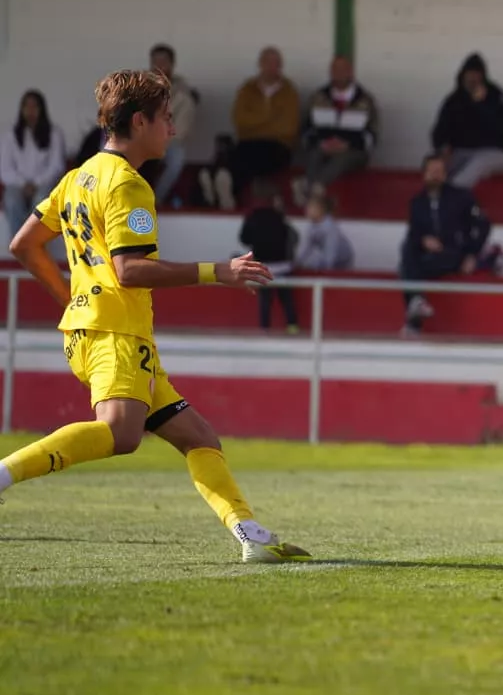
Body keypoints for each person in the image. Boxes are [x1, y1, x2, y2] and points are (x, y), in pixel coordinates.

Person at [0, 69, 311, 564]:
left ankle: (248, 532)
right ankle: (3, 474)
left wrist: (73, 300)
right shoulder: (128, 185)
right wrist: (218, 271)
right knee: (122, 435)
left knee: (199, 437)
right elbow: (130, 270)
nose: (173, 128)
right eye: (166, 118)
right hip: (117, 333)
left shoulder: (79, 176)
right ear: (139, 121)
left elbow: (24, 244)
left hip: (107, 331)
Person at [400, 153, 490, 336]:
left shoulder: (461, 197)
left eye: (439, 171)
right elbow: (414, 234)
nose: (435, 175)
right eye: (431, 171)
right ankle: (416, 304)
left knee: (407, 267)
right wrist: (424, 240)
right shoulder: (417, 203)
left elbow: (483, 224)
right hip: (429, 256)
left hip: (455, 254)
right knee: (408, 249)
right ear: (423, 173)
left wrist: (472, 254)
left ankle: (415, 313)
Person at [220, 46, 300, 212]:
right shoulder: (247, 89)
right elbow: (240, 121)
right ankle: (225, 193)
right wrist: (270, 117)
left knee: (257, 157)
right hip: (248, 142)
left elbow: (289, 128)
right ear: (260, 64)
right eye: (268, 63)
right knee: (239, 154)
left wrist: (256, 122)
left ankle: (230, 193)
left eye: (276, 64)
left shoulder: (289, 91)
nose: (272, 68)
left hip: (279, 145)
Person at [299, 55, 378, 203]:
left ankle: (313, 190)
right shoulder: (317, 98)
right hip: (323, 147)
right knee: (314, 155)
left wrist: (347, 144)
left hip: (354, 152)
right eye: (334, 69)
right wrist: (322, 143)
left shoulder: (366, 100)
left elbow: (372, 136)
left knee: (341, 159)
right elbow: (306, 131)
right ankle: (311, 196)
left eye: (343, 69)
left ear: (351, 72)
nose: (338, 73)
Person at [431, 53, 503, 189]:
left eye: (476, 75)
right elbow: (440, 129)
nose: (472, 79)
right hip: (461, 151)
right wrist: (443, 147)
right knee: (435, 166)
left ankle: (454, 194)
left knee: (476, 165)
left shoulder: (497, 97)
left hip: (493, 152)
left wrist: (481, 104)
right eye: (469, 75)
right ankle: (432, 201)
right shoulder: (454, 100)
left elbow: (500, 128)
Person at [1, 90, 67, 238]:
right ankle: (19, 245)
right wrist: (23, 184)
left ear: (41, 109)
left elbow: (56, 167)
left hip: (44, 184)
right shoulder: (10, 135)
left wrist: (35, 184)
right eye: (27, 106)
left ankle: (36, 244)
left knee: (41, 199)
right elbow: (5, 169)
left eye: (35, 106)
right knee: (11, 200)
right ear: (21, 109)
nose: (30, 111)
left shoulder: (54, 133)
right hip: (17, 185)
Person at [238, 182, 300, 333]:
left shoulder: (251, 217)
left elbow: (244, 238)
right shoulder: (280, 217)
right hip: (283, 265)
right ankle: (292, 328)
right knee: (286, 298)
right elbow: (291, 237)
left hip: (263, 265)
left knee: (265, 300)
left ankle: (265, 330)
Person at [148, 44, 200, 205]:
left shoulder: (183, 94)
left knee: (177, 157)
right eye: (155, 61)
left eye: (163, 62)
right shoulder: (139, 87)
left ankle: (155, 200)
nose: (158, 66)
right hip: (140, 139)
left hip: (167, 142)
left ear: (172, 64)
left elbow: (180, 131)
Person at [295, 193, 354, 273]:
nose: (307, 210)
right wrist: (296, 263)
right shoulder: (312, 227)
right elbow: (306, 248)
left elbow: (330, 254)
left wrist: (324, 269)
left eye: (310, 207)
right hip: (330, 259)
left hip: (342, 261)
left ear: (320, 209)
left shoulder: (330, 227)